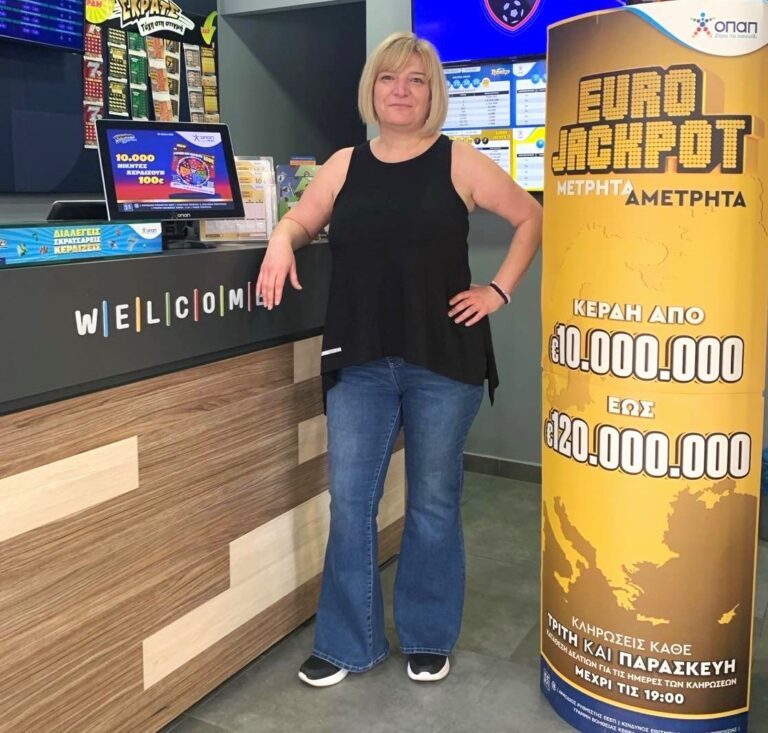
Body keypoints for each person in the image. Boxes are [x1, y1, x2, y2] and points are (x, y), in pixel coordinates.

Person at [256, 31, 542, 687]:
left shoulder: (460, 162)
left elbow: (531, 218)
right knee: (350, 502)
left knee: (434, 503)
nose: (402, 91)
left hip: (443, 359)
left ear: (433, 92)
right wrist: (280, 239)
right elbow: (302, 220)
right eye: (389, 78)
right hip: (359, 358)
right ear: (373, 89)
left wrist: (498, 291)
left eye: (416, 80)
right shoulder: (344, 165)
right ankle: (346, 642)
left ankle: (427, 633)